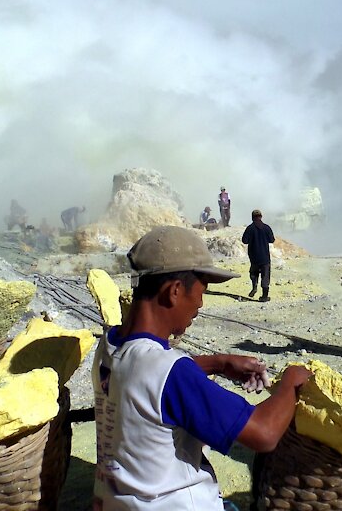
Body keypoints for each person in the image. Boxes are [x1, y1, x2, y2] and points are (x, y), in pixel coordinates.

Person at [93, 226, 313, 511]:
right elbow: (264, 434)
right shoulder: (171, 372)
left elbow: (142, 379)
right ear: (174, 291)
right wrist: (291, 382)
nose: (200, 304)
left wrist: (217, 363)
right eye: (201, 291)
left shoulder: (109, 345)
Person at [241, 209, 276, 301]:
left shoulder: (250, 228)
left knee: (253, 273)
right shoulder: (266, 227)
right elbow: (272, 240)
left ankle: (254, 286)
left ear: (252, 218)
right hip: (265, 257)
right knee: (265, 276)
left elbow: (244, 241)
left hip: (254, 257)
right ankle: (264, 296)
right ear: (261, 217)